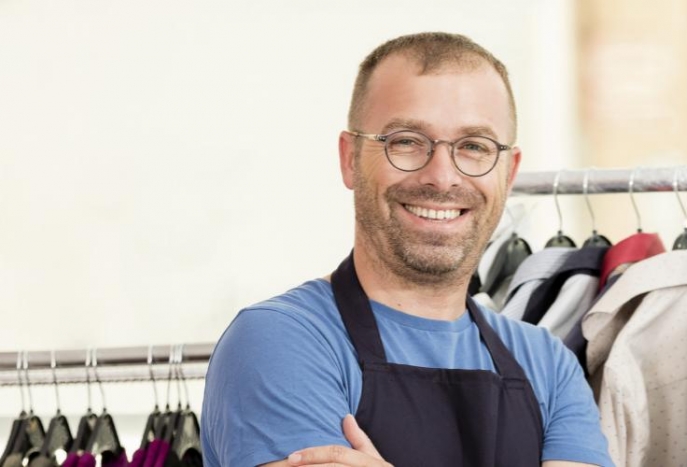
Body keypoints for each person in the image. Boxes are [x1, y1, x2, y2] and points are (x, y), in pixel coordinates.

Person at [200, 32, 613, 467]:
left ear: (509, 174)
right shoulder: (281, 341)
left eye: (474, 147)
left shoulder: (548, 366)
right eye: (406, 141)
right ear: (350, 158)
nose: (442, 176)